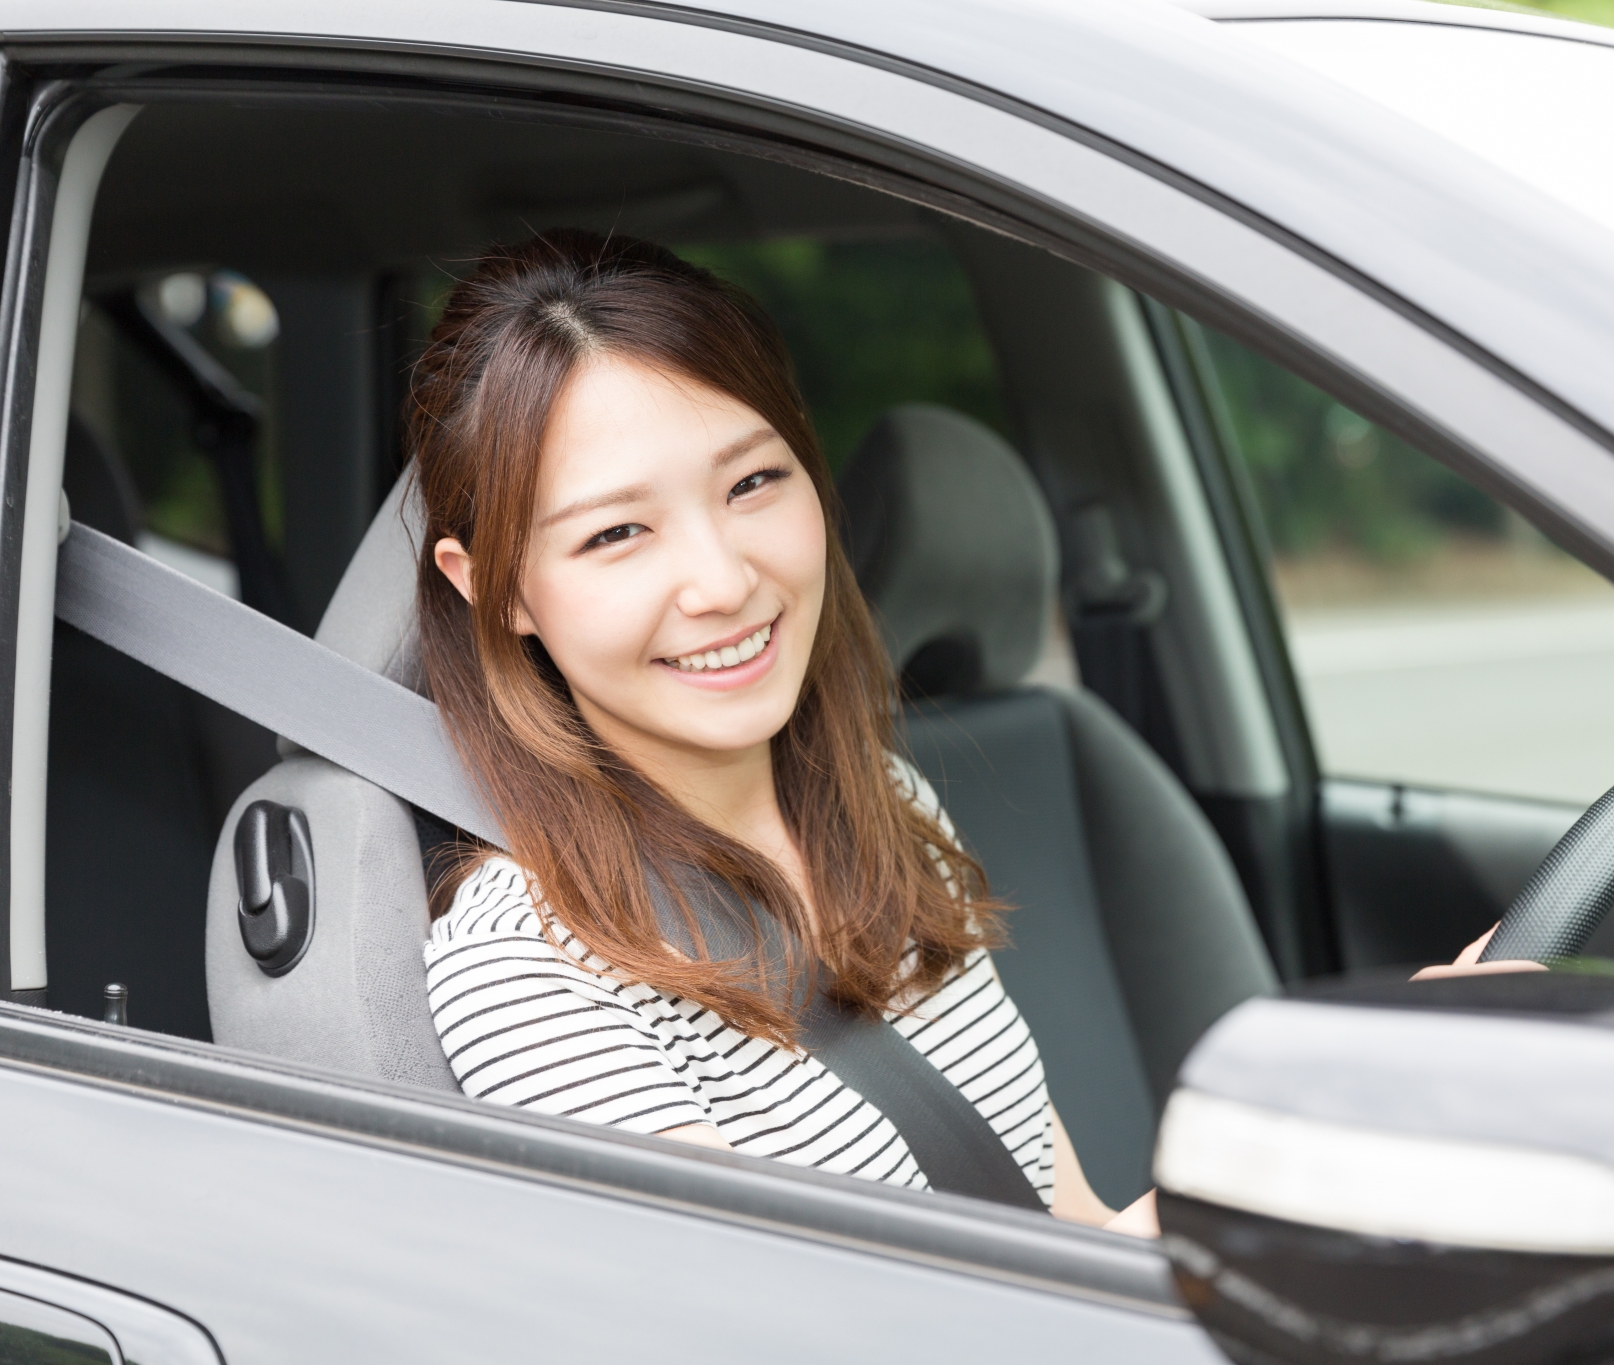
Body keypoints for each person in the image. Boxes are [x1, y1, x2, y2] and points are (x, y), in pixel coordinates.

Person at [412, 229, 1157, 1234]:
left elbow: (1079, 1252)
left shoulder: (882, 803)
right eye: (615, 534)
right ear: (496, 591)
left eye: (751, 484)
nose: (722, 583)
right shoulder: (528, 968)